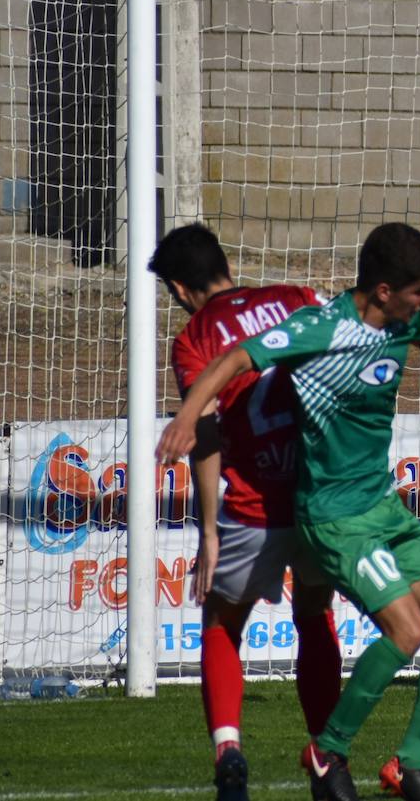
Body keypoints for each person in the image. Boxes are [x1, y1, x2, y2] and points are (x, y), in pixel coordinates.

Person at [156, 222, 420, 801]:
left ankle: (411, 765)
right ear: (383, 290)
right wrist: (188, 417)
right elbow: (234, 359)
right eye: (419, 289)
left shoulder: (403, 319)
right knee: (402, 630)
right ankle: (326, 750)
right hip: (331, 517)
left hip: (381, 505)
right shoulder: (318, 326)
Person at [148, 223, 341, 801]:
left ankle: (229, 747)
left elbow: (203, 429)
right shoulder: (298, 298)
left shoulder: (195, 340)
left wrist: (208, 531)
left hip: (255, 506)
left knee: (222, 622)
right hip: (317, 494)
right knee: (315, 613)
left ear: (181, 290)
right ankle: (327, 753)